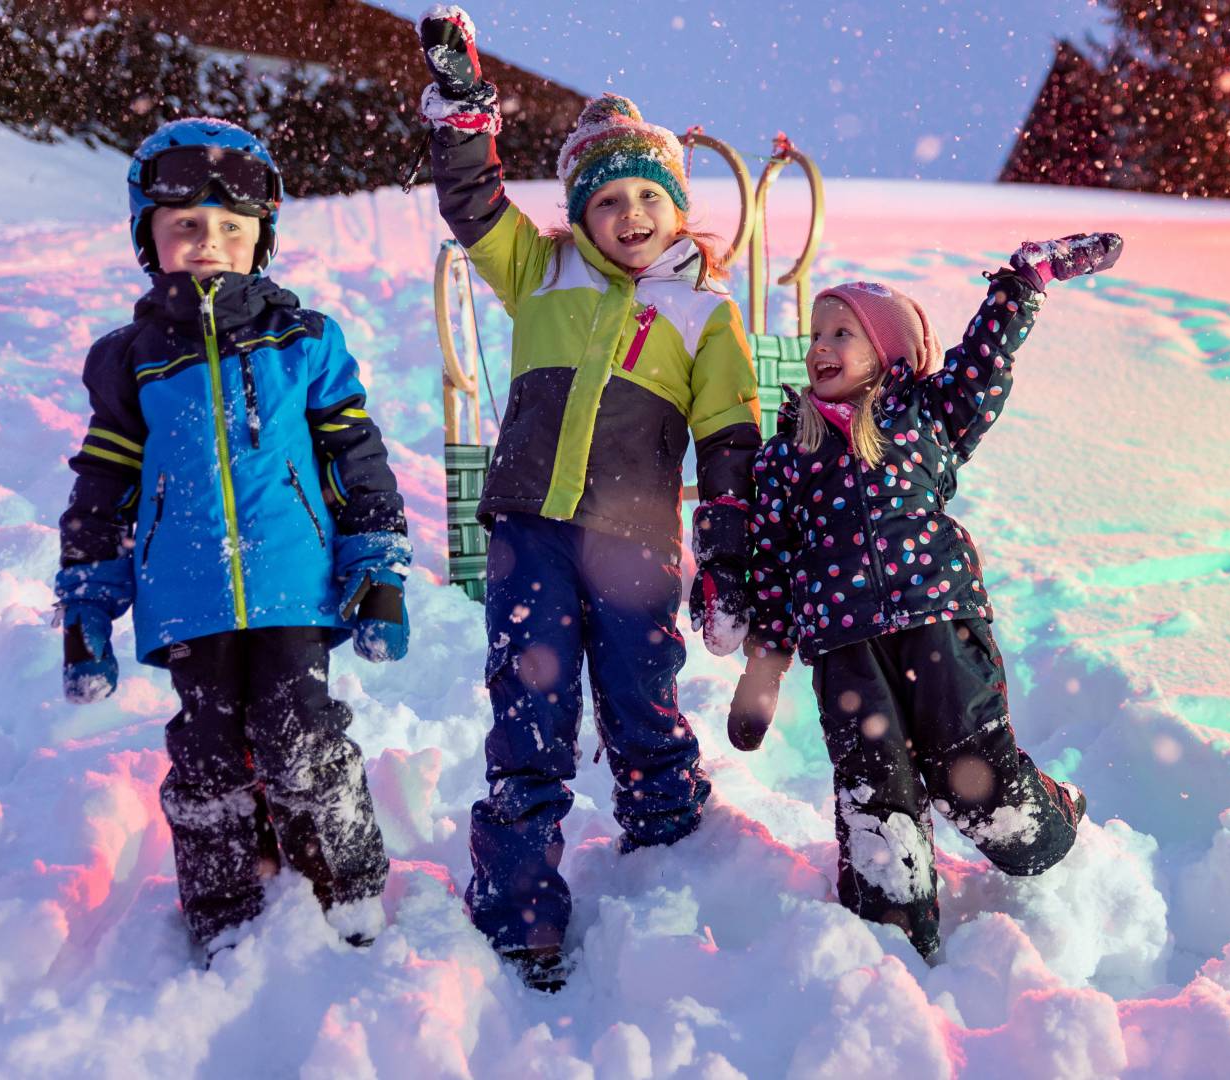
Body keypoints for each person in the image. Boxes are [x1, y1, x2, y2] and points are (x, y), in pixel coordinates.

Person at [415, 7, 762, 989]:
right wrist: (463, 122)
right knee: (530, 706)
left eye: (647, 197)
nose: (630, 217)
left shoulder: (705, 311)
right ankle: (520, 901)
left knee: (642, 692)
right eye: (607, 203)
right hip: (531, 532)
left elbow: (729, 433)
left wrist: (727, 550)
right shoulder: (541, 271)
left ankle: (670, 837)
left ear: (675, 206)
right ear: (581, 215)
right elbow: (475, 206)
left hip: (637, 540)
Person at [55, 117, 410, 959]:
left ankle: (349, 891)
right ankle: (223, 911)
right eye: (185, 226)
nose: (208, 242)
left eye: (231, 227)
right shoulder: (129, 360)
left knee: (302, 732)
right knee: (208, 750)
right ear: (150, 239)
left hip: (294, 582)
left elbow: (356, 455)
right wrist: (85, 610)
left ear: (262, 240)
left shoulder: (306, 342)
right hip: (185, 594)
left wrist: (379, 566)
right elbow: (101, 489)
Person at [728, 234, 1124, 958]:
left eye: (842, 332)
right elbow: (775, 563)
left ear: (889, 352)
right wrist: (763, 668)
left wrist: (1022, 282)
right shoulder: (790, 451)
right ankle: (890, 945)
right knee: (876, 794)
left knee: (973, 773)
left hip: (938, 619)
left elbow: (983, 366)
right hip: (844, 646)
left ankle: (1050, 829)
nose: (821, 347)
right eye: (816, 333)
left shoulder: (926, 417)